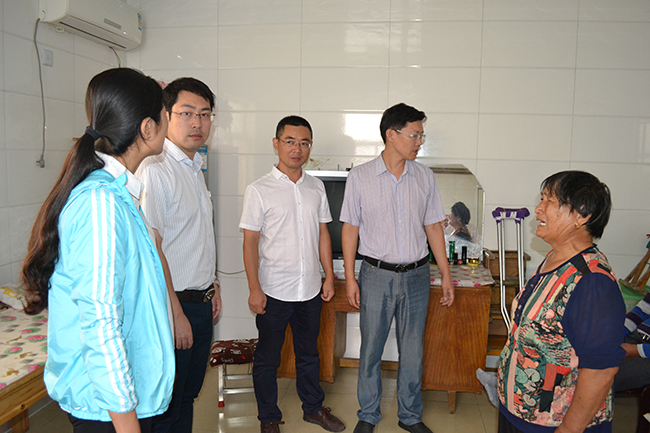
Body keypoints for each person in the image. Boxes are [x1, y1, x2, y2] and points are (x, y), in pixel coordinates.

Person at [20, 68, 175, 433]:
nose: (169, 121)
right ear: (148, 128)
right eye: (165, 113)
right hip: (109, 411)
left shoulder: (117, 193)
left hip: (124, 399)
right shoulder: (101, 202)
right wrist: (126, 422)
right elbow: (100, 320)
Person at [340, 103, 454, 433]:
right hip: (376, 275)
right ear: (391, 135)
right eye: (414, 135)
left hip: (417, 276)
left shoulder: (424, 177)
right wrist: (350, 278)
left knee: (413, 351)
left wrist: (445, 275)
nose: (419, 142)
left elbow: (433, 227)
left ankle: (410, 416)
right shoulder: (360, 177)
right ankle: (368, 414)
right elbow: (350, 228)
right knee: (371, 349)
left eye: (421, 136)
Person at [497, 170, 626, 433]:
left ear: (582, 215)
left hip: (555, 424)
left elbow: (601, 371)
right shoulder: (554, 260)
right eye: (541, 199)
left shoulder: (592, 282)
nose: (538, 208)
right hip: (519, 414)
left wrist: (569, 429)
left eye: (550, 200)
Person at [240, 115, 346, 433]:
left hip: (309, 289)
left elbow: (323, 234)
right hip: (273, 290)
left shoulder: (316, 187)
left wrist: (329, 276)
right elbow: (250, 242)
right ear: (276, 144)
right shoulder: (259, 189)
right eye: (290, 141)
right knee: (268, 359)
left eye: (304, 143)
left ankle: (313, 408)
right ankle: (269, 418)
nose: (297, 149)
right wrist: (254, 288)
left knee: (309, 354)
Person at [136, 77, 222, 433]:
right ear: (165, 116)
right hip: (172, 307)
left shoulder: (194, 167)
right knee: (166, 406)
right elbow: (151, 248)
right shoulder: (156, 170)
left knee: (187, 396)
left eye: (204, 114)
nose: (197, 122)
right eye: (187, 113)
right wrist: (175, 314)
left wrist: (213, 285)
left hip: (199, 303)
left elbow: (195, 236)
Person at [613, 290, 650, 392]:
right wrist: (615, 337)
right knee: (588, 360)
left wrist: (636, 350)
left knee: (602, 374)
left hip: (645, 352)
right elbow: (641, 312)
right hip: (635, 337)